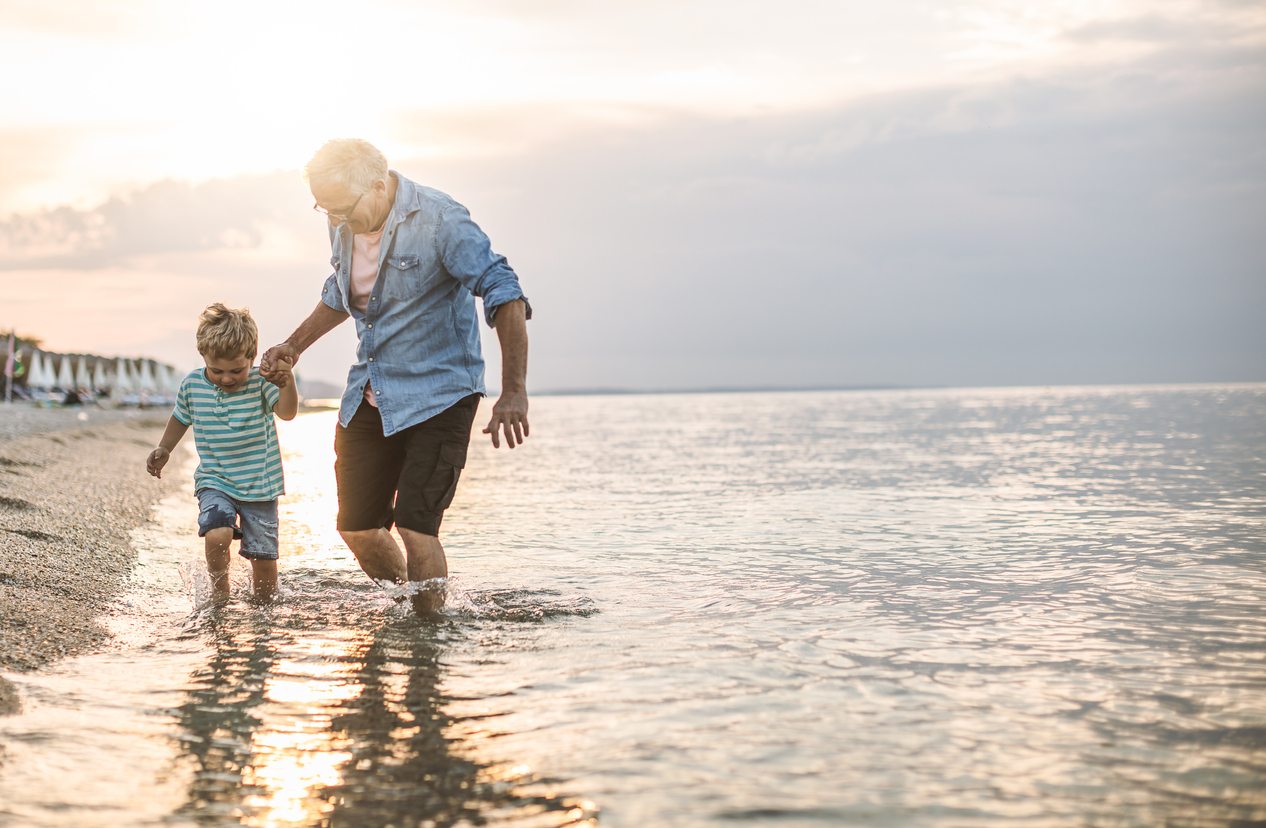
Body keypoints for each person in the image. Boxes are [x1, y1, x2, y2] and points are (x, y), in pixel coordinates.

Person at [259, 138, 531, 617]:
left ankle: (427, 645)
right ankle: (419, 609)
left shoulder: (441, 220)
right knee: (357, 526)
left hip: (442, 392)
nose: (337, 219)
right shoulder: (341, 222)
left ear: (379, 185)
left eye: (344, 208)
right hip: (372, 389)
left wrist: (513, 392)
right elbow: (340, 289)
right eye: (326, 209)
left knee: (415, 524)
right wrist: (293, 346)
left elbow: (504, 291)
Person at [147, 304, 299, 602]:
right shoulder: (192, 384)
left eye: (236, 371)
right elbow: (181, 417)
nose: (226, 379)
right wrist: (165, 447)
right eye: (217, 371)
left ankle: (263, 614)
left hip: (261, 485)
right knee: (217, 534)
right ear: (203, 356)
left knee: (264, 561)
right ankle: (219, 594)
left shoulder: (260, 382)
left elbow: (288, 412)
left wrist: (287, 381)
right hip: (215, 479)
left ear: (252, 358)